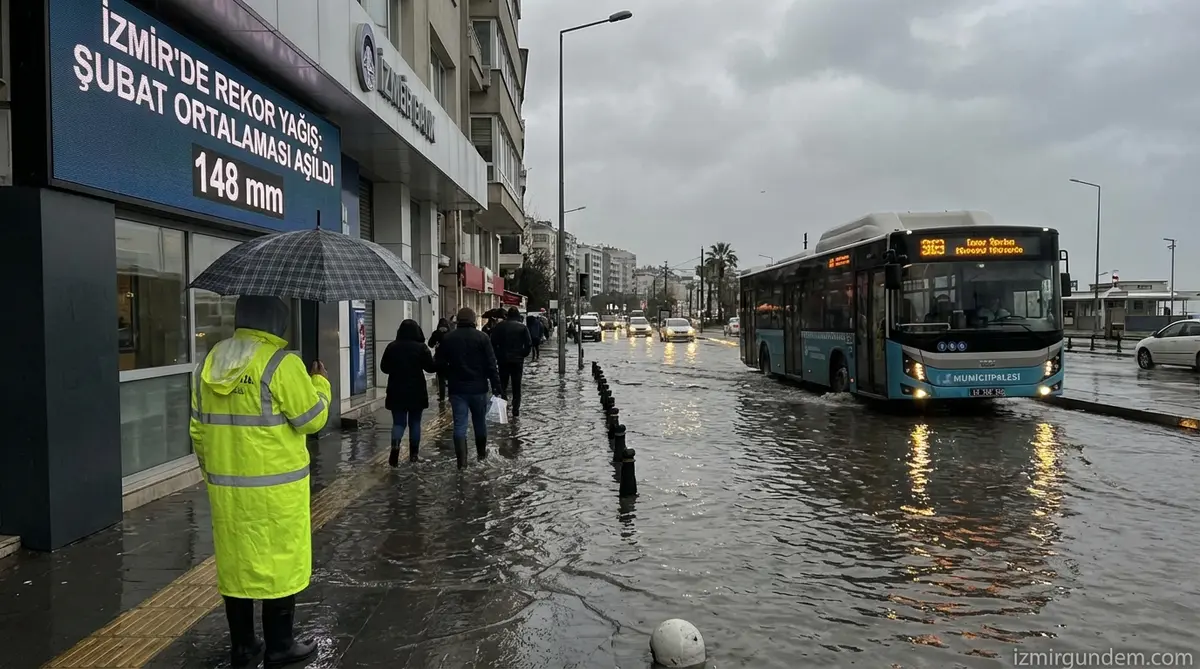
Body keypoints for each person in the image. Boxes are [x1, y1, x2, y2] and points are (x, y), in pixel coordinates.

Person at [189, 295, 331, 668]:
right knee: (279, 564)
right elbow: (312, 419)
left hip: (227, 491)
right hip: (276, 494)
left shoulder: (211, 362)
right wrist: (320, 383)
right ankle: (280, 646)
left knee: (235, 564)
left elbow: (198, 430)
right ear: (276, 322)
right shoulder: (281, 364)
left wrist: (213, 474)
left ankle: (243, 645)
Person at [435, 307, 501, 468]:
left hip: (457, 389)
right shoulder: (482, 337)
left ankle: (461, 464)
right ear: (473, 321)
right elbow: (491, 364)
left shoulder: (448, 338)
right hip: (479, 388)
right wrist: (497, 387)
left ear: (458, 321)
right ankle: (481, 457)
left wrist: (449, 376)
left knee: (460, 425)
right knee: (480, 423)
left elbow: (439, 364)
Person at [380, 319, 437, 466]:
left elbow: (384, 368)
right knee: (415, 422)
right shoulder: (421, 348)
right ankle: (414, 456)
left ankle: (394, 452)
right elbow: (430, 368)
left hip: (396, 389)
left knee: (398, 423)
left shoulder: (392, 347)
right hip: (416, 390)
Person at [492, 307, 532, 417]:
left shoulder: (499, 327)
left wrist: (498, 355)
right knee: (516, 385)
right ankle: (515, 409)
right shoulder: (522, 327)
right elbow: (528, 344)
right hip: (517, 361)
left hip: (503, 360)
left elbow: (492, 343)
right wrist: (522, 355)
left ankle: (503, 408)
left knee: (503, 384)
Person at [427, 317, 451, 402]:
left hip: (439, 359)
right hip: (450, 359)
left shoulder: (436, 333)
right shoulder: (450, 333)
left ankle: (442, 397)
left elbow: (430, 344)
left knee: (441, 379)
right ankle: (451, 396)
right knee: (451, 378)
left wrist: (436, 344)